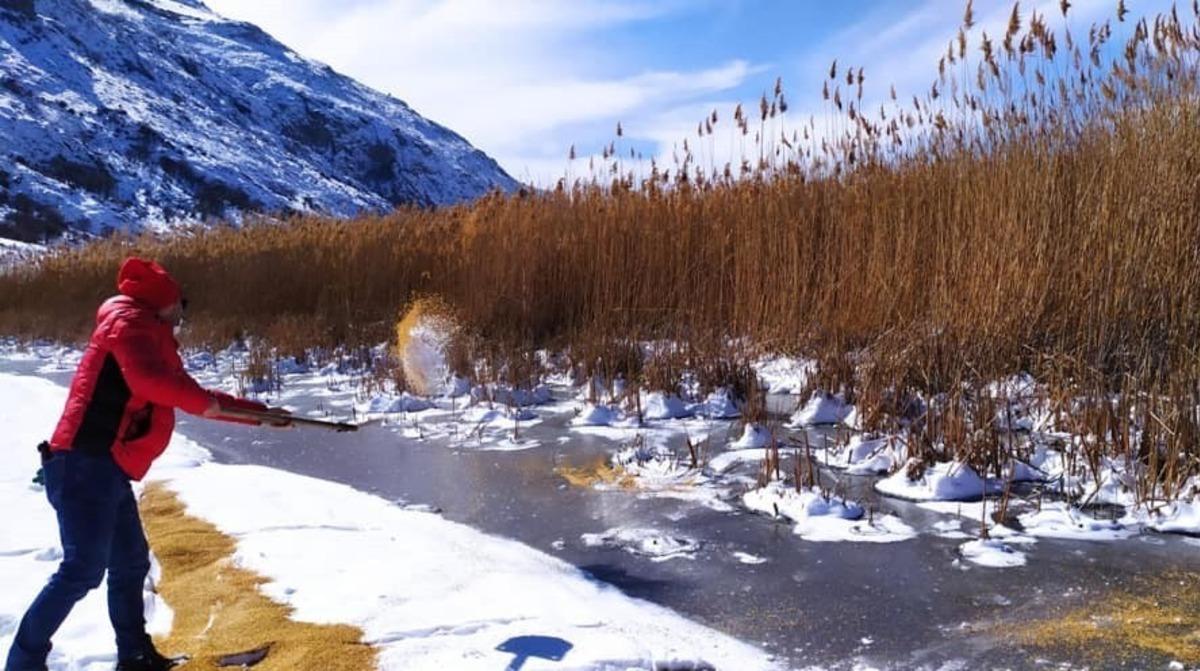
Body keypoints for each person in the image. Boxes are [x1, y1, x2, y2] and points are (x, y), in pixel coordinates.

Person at [5, 257, 292, 671]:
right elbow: (150, 383)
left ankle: (135, 656)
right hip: (84, 464)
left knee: (130, 562)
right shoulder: (128, 325)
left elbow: (188, 393)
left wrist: (259, 413)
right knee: (83, 568)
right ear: (165, 304)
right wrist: (210, 404)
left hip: (105, 467)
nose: (182, 317)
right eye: (180, 307)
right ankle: (23, 662)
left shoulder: (146, 331)